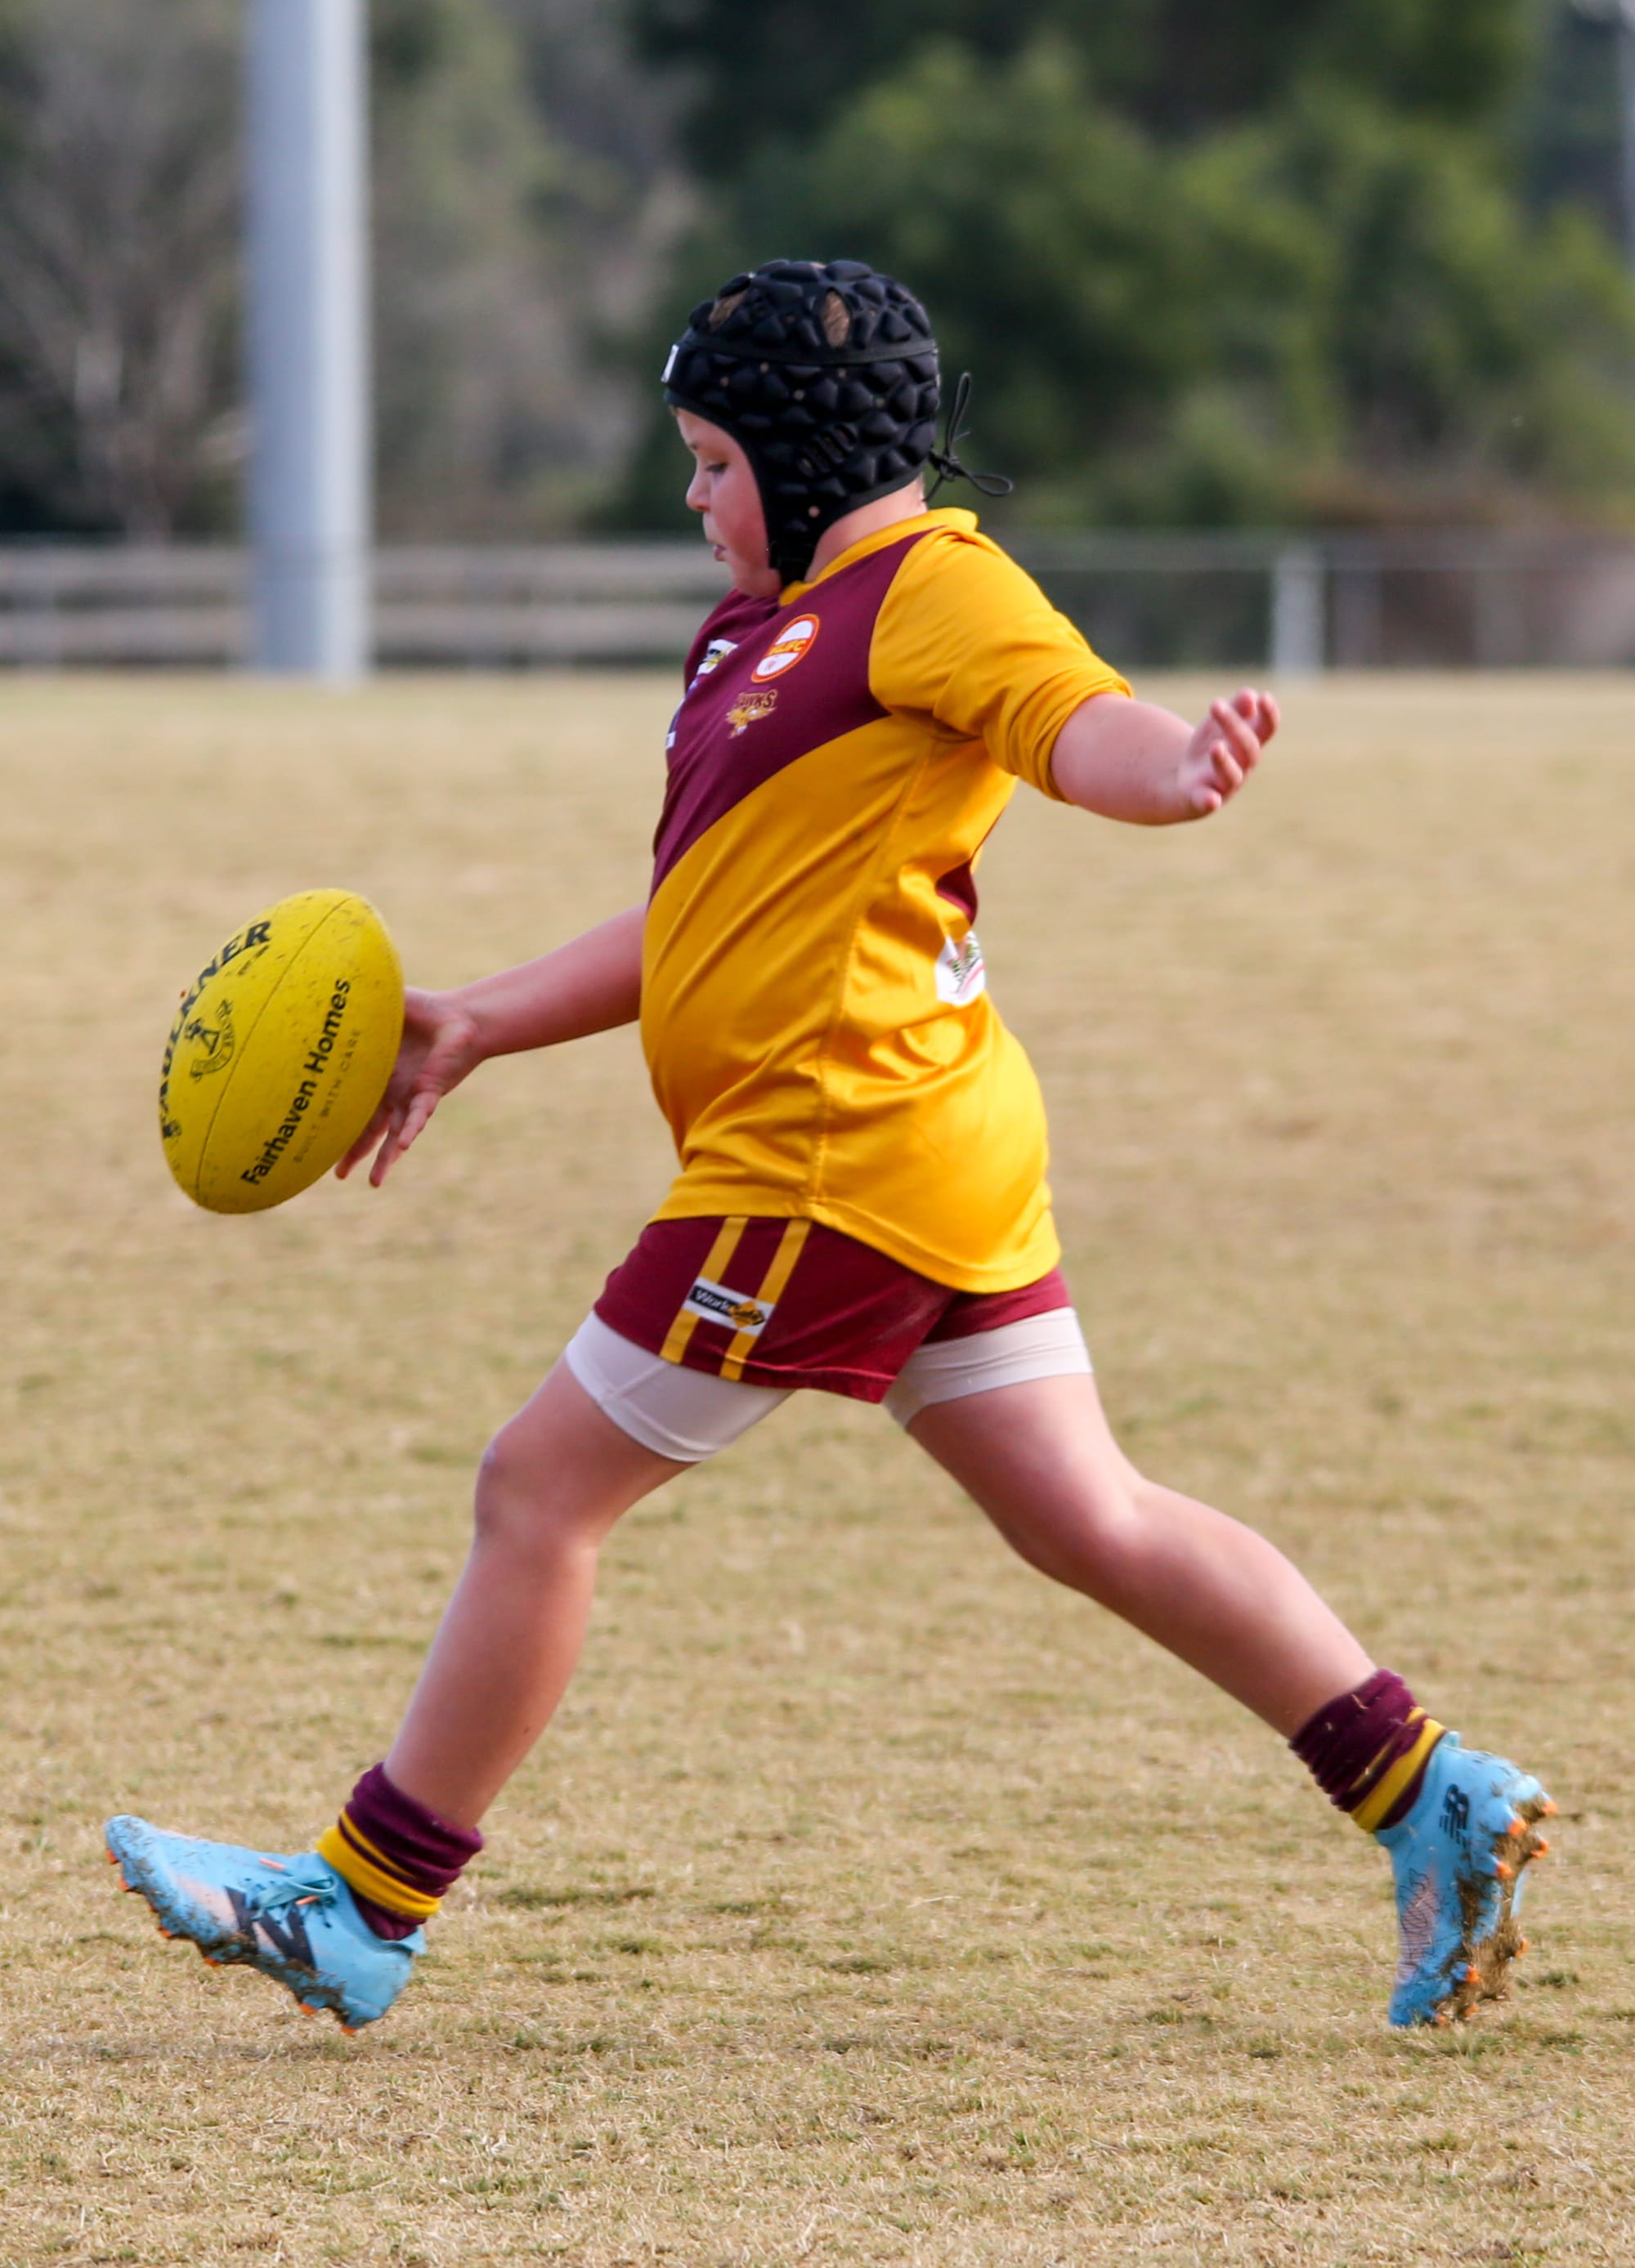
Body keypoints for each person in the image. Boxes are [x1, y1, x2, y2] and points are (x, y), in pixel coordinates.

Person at [106, 259, 1552, 2035]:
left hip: (822, 1161)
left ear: (795, 459)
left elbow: (1069, 719)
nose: (696, 495)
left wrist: (1171, 766)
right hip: (923, 1141)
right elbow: (698, 911)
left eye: (712, 460)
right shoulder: (759, 634)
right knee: (1090, 1513)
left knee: (538, 1489)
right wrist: (477, 1013)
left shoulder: (928, 592)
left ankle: (364, 1901)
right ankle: (1432, 1792)